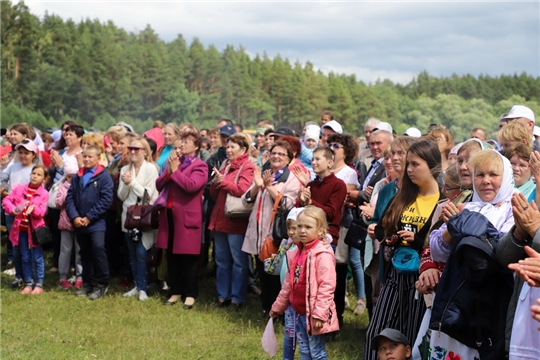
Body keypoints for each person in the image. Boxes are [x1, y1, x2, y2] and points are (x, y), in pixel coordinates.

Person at [428, 149, 515, 359]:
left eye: (493, 175)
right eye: (480, 174)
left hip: (491, 301)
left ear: (506, 178)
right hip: (456, 296)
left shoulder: (513, 209)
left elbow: (502, 250)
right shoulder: (464, 206)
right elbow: (437, 251)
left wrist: (463, 225)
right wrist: (451, 229)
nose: (486, 181)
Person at [364, 140, 442, 360]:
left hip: (422, 280)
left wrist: (417, 241)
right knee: (378, 332)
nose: (409, 169)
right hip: (394, 275)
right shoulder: (404, 196)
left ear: (432, 165)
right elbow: (381, 228)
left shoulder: (443, 201)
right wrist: (391, 239)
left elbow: (440, 245)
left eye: (415, 164)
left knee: (413, 339)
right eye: (409, 164)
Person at [270, 206, 338, 359]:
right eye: (299, 226)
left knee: (317, 353)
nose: (302, 230)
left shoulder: (323, 254)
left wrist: (319, 314)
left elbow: (327, 286)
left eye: (308, 227)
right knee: (304, 351)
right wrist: (278, 306)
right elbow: (288, 283)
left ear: (320, 230)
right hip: (298, 312)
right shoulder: (295, 252)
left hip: (313, 314)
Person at [243, 140, 302, 315]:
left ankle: (277, 310)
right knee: (261, 270)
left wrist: (268, 187)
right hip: (258, 230)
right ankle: (266, 307)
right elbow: (245, 201)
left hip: (274, 234)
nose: (276, 156)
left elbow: (286, 204)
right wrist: (257, 185)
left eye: (281, 154)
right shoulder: (264, 173)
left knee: (275, 274)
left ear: (289, 159)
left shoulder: (291, 179)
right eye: (273, 153)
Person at [156, 132, 208, 308]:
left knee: (189, 257)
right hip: (169, 215)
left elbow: (191, 186)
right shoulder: (174, 162)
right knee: (172, 255)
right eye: (181, 143)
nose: (182, 146)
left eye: (186, 142)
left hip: (187, 216)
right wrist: (170, 171)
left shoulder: (200, 166)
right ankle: (175, 291)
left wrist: (175, 171)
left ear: (196, 146)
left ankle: (191, 293)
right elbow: (159, 184)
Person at [208, 134, 255, 309]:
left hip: (236, 221)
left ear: (243, 149)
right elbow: (214, 194)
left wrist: (223, 182)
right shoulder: (225, 165)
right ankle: (223, 296)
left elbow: (243, 190)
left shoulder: (247, 166)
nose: (228, 150)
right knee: (221, 260)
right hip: (220, 218)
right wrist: (215, 183)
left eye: (232, 147)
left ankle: (237, 298)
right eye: (227, 147)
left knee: (238, 262)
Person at [66, 145, 114, 300]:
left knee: (98, 249)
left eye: (90, 157)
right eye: (84, 156)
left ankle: (102, 284)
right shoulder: (77, 176)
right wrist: (74, 217)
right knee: (84, 252)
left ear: (98, 158)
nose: (86, 159)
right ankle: (88, 283)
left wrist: (89, 217)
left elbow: (106, 200)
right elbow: (70, 198)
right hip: (79, 222)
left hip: (96, 222)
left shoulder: (104, 176)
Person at [498, 192, 540, 357]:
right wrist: (519, 234)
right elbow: (503, 257)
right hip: (525, 316)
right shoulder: (534, 208)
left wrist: (536, 229)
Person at [118, 138, 159, 301]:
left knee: (142, 252)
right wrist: (126, 184)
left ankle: (143, 287)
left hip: (145, 216)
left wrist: (132, 182)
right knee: (132, 253)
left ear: (145, 151)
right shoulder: (125, 169)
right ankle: (137, 285)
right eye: (131, 148)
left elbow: (148, 196)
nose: (133, 152)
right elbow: (120, 195)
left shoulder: (151, 169)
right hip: (128, 217)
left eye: (137, 149)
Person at [0, 138, 41, 288]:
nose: (23, 156)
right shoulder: (13, 166)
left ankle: (31, 276)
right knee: (15, 244)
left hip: (29, 214)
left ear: (34, 155)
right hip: (12, 212)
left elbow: (41, 191)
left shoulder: (36, 170)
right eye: (21, 152)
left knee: (30, 245)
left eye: (27, 153)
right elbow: (2, 178)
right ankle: (19, 275)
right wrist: (3, 189)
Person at [2, 165, 49, 295]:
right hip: (20, 231)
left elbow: (42, 212)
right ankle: (28, 282)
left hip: (35, 232)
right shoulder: (20, 189)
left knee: (37, 257)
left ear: (44, 179)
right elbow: (6, 200)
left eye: (39, 175)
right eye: (33, 173)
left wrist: (34, 209)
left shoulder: (44, 194)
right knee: (25, 257)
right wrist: (12, 209)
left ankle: (39, 283)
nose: (35, 176)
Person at [56, 161, 83, 290]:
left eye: (74, 176)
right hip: (66, 223)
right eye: (68, 176)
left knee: (80, 251)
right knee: (65, 251)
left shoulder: (82, 185)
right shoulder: (62, 186)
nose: (71, 179)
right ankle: (63, 276)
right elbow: (58, 202)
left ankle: (80, 276)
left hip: (80, 222)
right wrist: (68, 196)